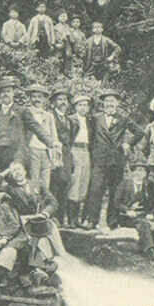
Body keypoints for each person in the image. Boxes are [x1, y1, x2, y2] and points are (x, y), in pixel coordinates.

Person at [83, 89, 143, 229]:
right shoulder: (95, 118)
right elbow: (90, 138)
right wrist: (93, 154)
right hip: (99, 160)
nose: (110, 103)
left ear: (117, 103)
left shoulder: (123, 118)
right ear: (103, 103)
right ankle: (92, 220)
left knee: (115, 192)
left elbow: (140, 132)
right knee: (95, 189)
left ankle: (112, 222)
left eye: (113, 100)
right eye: (107, 100)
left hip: (117, 160)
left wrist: (128, 143)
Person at [22, 84, 63, 194]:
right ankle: (34, 207)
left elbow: (53, 136)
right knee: (33, 182)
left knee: (46, 183)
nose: (37, 99)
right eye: (34, 96)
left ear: (44, 99)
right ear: (30, 98)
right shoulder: (25, 112)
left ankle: (44, 208)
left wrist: (55, 154)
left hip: (46, 152)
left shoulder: (48, 115)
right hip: (31, 150)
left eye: (40, 97)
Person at [61, 92, 94, 227]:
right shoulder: (70, 119)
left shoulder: (90, 121)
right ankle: (71, 220)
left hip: (86, 151)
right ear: (75, 107)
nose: (83, 108)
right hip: (74, 150)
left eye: (85, 105)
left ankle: (78, 219)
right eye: (80, 105)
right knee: (74, 183)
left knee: (83, 184)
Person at [48, 89, 75, 224]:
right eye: (60, 99)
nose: (63, 102)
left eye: (65, 100)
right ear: (53, 102)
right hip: (54, 155)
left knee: (65, 186)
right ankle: (52, 218)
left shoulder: (70, 120)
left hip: (67, 156)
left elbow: (71, 139)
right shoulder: (50, 116)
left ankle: (60, 218)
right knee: (54, 187)